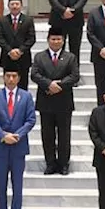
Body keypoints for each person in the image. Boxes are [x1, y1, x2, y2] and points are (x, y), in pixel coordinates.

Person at [0, 66, 36, 209]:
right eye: (7, 75)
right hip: (1, 147)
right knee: (1, 185)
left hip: (18, 147)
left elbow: (30, 120)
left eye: (13, 76)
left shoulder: (26, 96)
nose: (10, 79)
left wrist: (17, 135)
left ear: (18, 77)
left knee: (18, 185)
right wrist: (3, 135)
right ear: (3, 77)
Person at [31, 26, 80, 175]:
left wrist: (59, 85)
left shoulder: (70, 57)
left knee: (64, 135)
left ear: (63, 41)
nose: (56, 41)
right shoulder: (40, 57)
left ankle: (64, 163)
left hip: (64, 101)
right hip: (45, 101)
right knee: (47, 135)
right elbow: (34, 74)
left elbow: (74, 76)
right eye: (53, 39)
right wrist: (48, 84)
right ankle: (50, 163)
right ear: (48, 40)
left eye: (59, 39)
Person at [0, 0, 36, 91]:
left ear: (21, 5)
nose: (14, 6)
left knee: (23, 86)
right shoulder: (2, 20)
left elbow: (31, 38)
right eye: (12, 4)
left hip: (23, 58)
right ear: (8, 6)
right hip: (7, 57)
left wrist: (20, 50)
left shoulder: (28, 20)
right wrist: (10, 51)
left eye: (17, 4)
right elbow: (0, 38)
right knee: (8, 86)